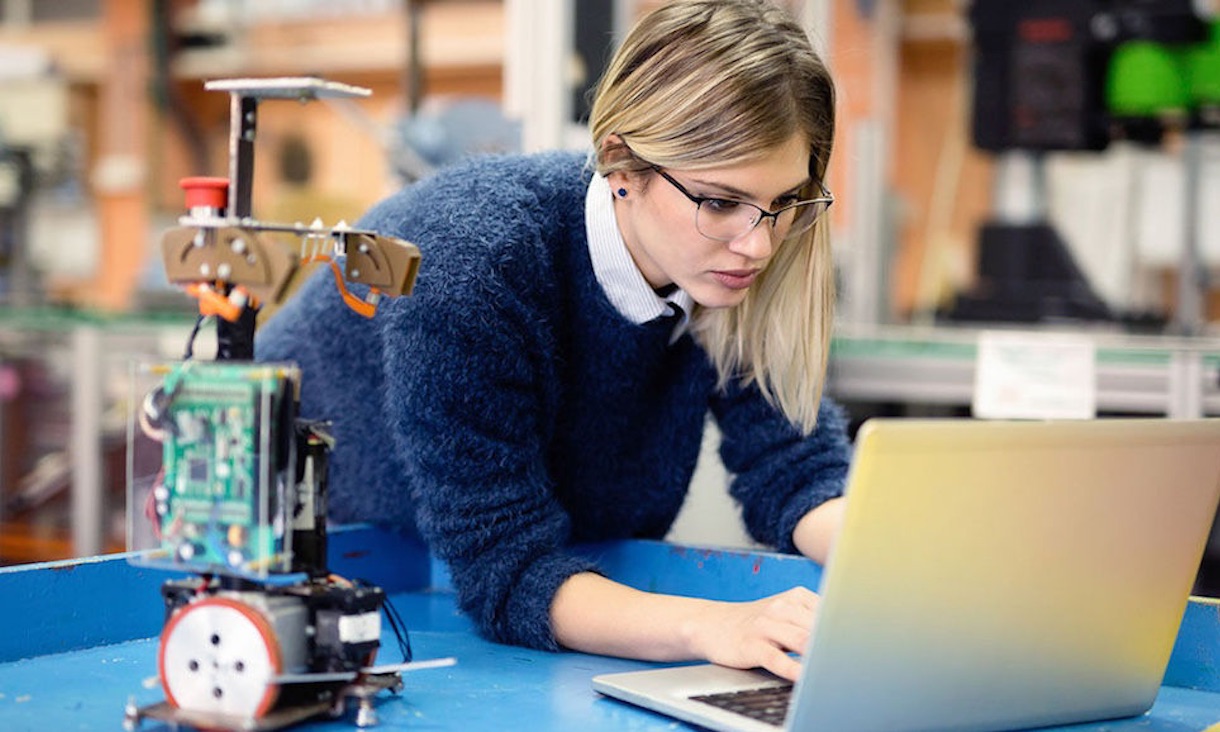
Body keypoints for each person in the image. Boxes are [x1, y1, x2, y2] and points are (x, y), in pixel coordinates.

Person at [256, 0, 850, 683]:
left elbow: (796, 474)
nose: (758, 244)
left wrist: (908, 568)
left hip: (475, 585)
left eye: (787, 203)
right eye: (719, 203)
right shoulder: (473, 264)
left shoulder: (728, 264)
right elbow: (509, 574)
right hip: (283, 564)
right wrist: (718, 625)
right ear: (620, 163)